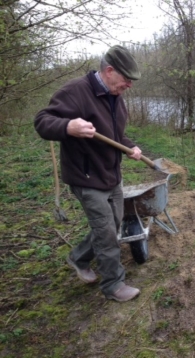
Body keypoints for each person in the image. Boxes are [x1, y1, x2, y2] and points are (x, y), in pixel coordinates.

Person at [34, 45, 143, 302]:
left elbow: (113, 134)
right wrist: (68, 126)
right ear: (109, 71)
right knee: (106, 233)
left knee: (113, 223)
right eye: (126, 80)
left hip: (110, 175)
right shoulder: (75, 92)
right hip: (86, 177)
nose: (129, 86)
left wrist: (129, 146)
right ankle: (113, 286)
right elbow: (42, 121)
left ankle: (79, 257)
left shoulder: (116, 96)